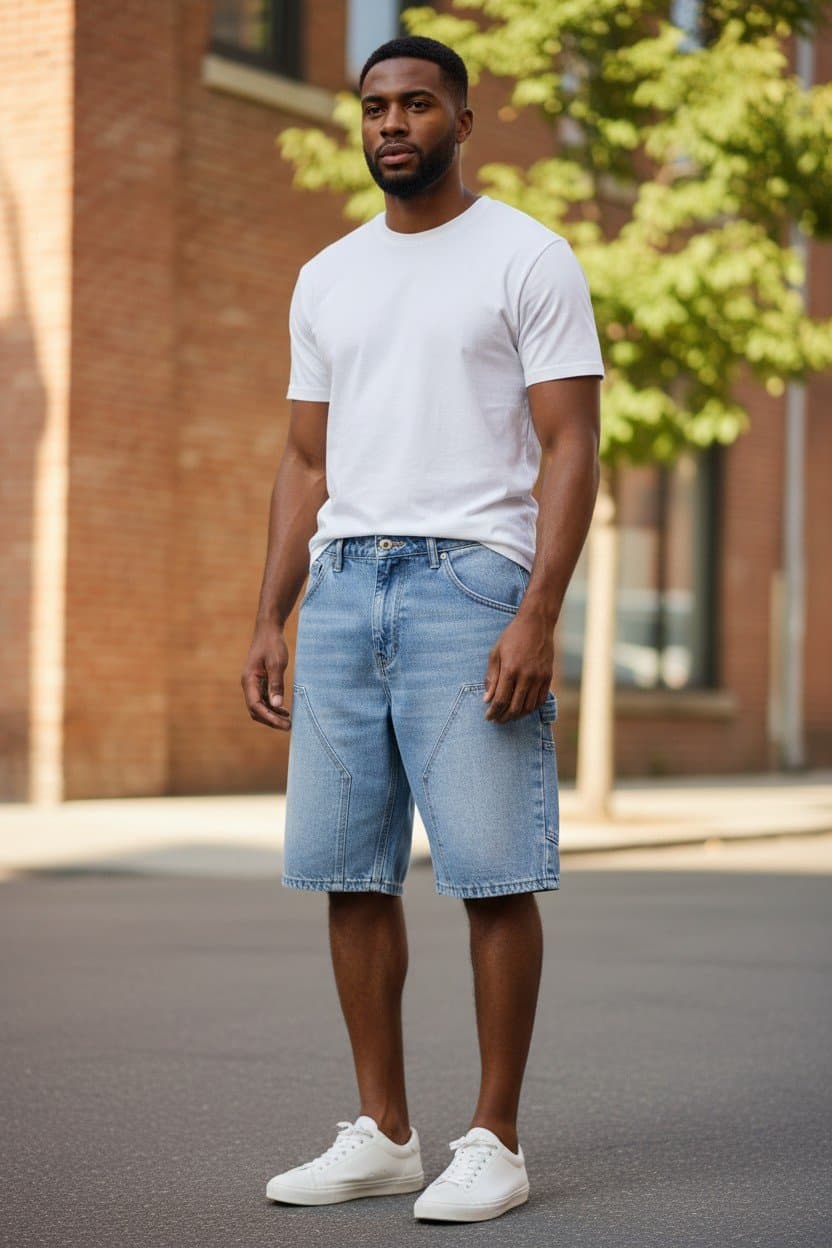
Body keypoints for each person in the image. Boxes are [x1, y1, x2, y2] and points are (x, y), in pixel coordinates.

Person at [241, 34, 604, 1224]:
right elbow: (305, 460)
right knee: (350, 870)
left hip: (472, 587)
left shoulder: (527, 257)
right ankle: (383, 1132)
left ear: (461, 115)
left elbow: (570, 445)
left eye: (415, 104)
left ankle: (493, 1137)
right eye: (375, 107)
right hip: (345, 585)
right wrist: (270, 613)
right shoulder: (327, 276)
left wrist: (538, 613)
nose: (391, 123)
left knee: (492, 872)